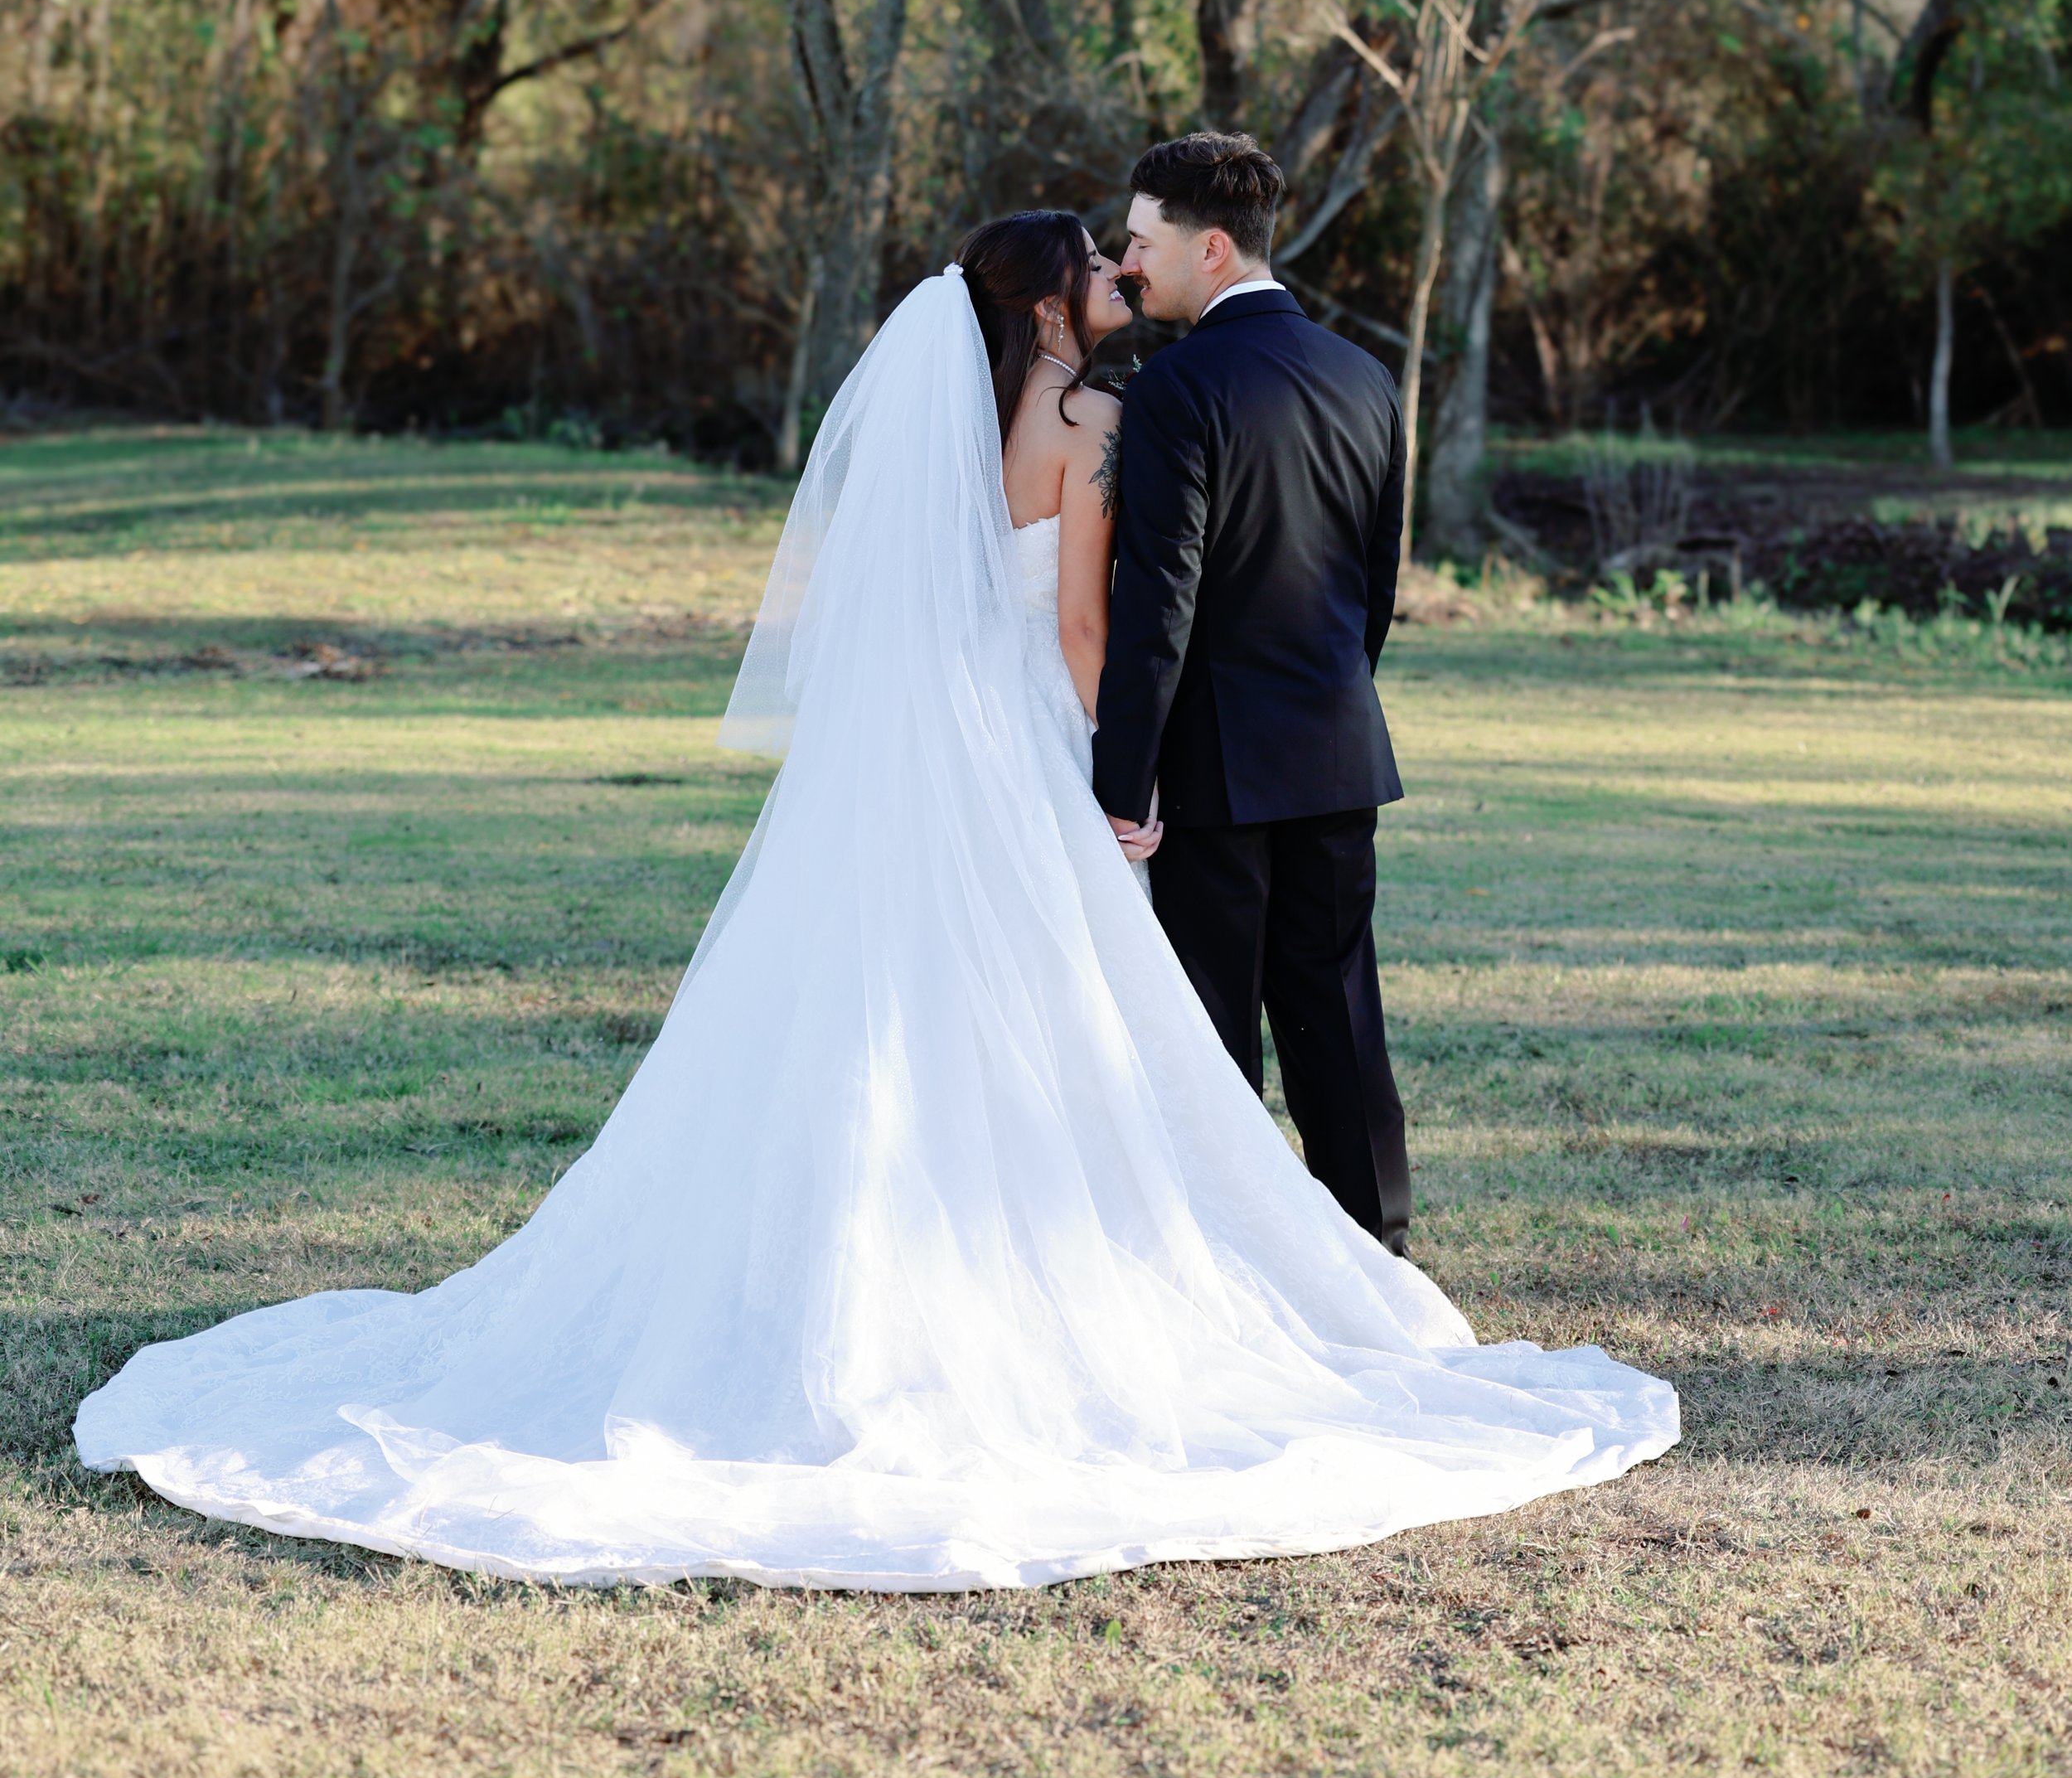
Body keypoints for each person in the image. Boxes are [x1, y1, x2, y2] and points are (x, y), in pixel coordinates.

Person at [75, 211, 1676, 1591]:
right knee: (1049, 1025)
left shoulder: (952, 418)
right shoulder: (1090, 420)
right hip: (1021, 748)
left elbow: (903, 603)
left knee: (868, 1009)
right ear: (1055, 303)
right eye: (1096, 272)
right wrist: (1114, 773)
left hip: (910, 752)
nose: (1122, 279)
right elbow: (1073, 631)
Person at [1092, 131, 1413, 1251]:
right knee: (1340, 1021)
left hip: (1214, 771)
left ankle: (1236, 1276)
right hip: (1336, 750)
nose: (1126, 261)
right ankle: (1380, 1259)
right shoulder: (1366, 375)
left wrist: (1122, 782)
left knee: (1214, 1035)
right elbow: (1375, 585)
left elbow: (1157, 605)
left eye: (1140, 240)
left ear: (1211, 247)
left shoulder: (1177, 387)